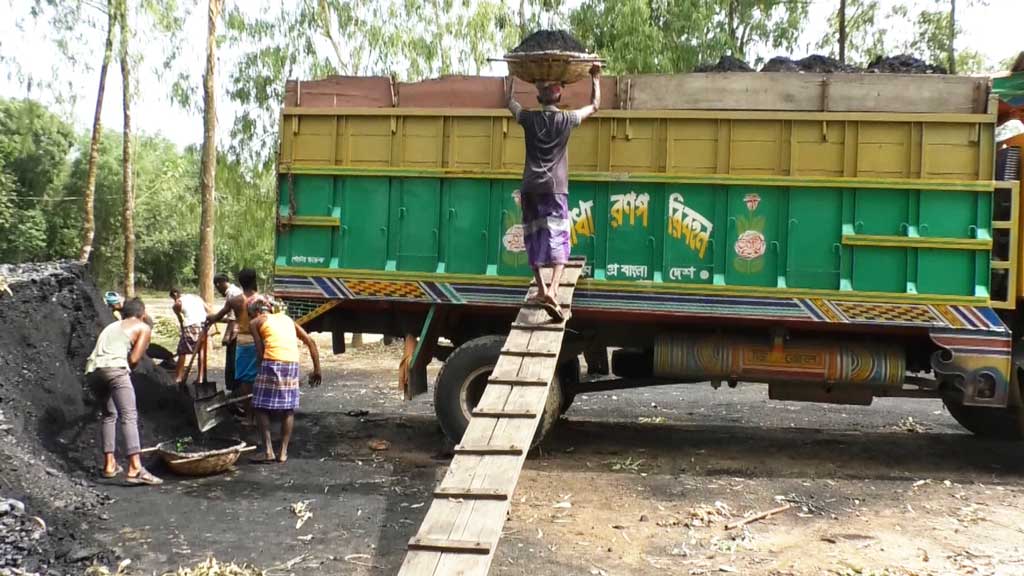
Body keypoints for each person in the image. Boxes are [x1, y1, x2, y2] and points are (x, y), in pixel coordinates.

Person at [506, 64, 601, 320]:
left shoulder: (529, 118)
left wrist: (512, 74)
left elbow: (509, 102)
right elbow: (594, 106)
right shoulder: (566, 120)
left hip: (530, 188)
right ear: (559, 97)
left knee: (533, 235)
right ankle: (554, 290)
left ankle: (541, 288)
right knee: (559, 238)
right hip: (555, 189)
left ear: (539, 97)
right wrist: (595, 77)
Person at [85, 297, 163, 485]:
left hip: (93, 371)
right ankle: (136, 468)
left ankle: (109, 465)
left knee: (109, 415)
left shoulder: (111, 326)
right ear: (142, 314)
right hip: (115, 370)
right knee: (128, 416)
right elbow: (135, 359)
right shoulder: (143, 327)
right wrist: (125, 371)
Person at [248, 297, 322, 463]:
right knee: (288, 408)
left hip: (272, 361)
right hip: (291, 363)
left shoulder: (255, 322)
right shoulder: (287, 319)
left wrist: (260, 375)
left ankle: (268, 451)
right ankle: (283, 453)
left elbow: (260, 353)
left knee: (259, 406)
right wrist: (317, 369)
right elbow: (310, 341)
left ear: (256, 312)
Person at [206, 268, 261, 414]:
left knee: (244, 380)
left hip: (244, 343)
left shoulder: (234, 301)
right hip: (260, 342)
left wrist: (210, 318)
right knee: (257, 377)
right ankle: (257, 412)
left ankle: (248, 413)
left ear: (240, 282)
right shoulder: (263, 300)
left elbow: (219, 316)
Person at [170, 288, 211, 386]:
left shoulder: (177, 304)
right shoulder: (196, 297)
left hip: (191, 326)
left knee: (182, 351)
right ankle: (200, 379)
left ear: (175, 295)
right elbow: (208, 310)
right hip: (203, 324)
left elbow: (181, 320)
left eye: (173, 298)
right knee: (201, 351)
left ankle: (178, 377)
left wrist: (183, 330)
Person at [212, 273, 243, 391]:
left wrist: (226, 336)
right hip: (239, 329)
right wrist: (214, 318)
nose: (218, 290)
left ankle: (235, 389)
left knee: (232, 362)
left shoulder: (232, 293)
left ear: (219, 284)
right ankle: (235, 388)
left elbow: (233, 317)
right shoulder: (236, 290)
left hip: (237, 332)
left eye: (217, 287)